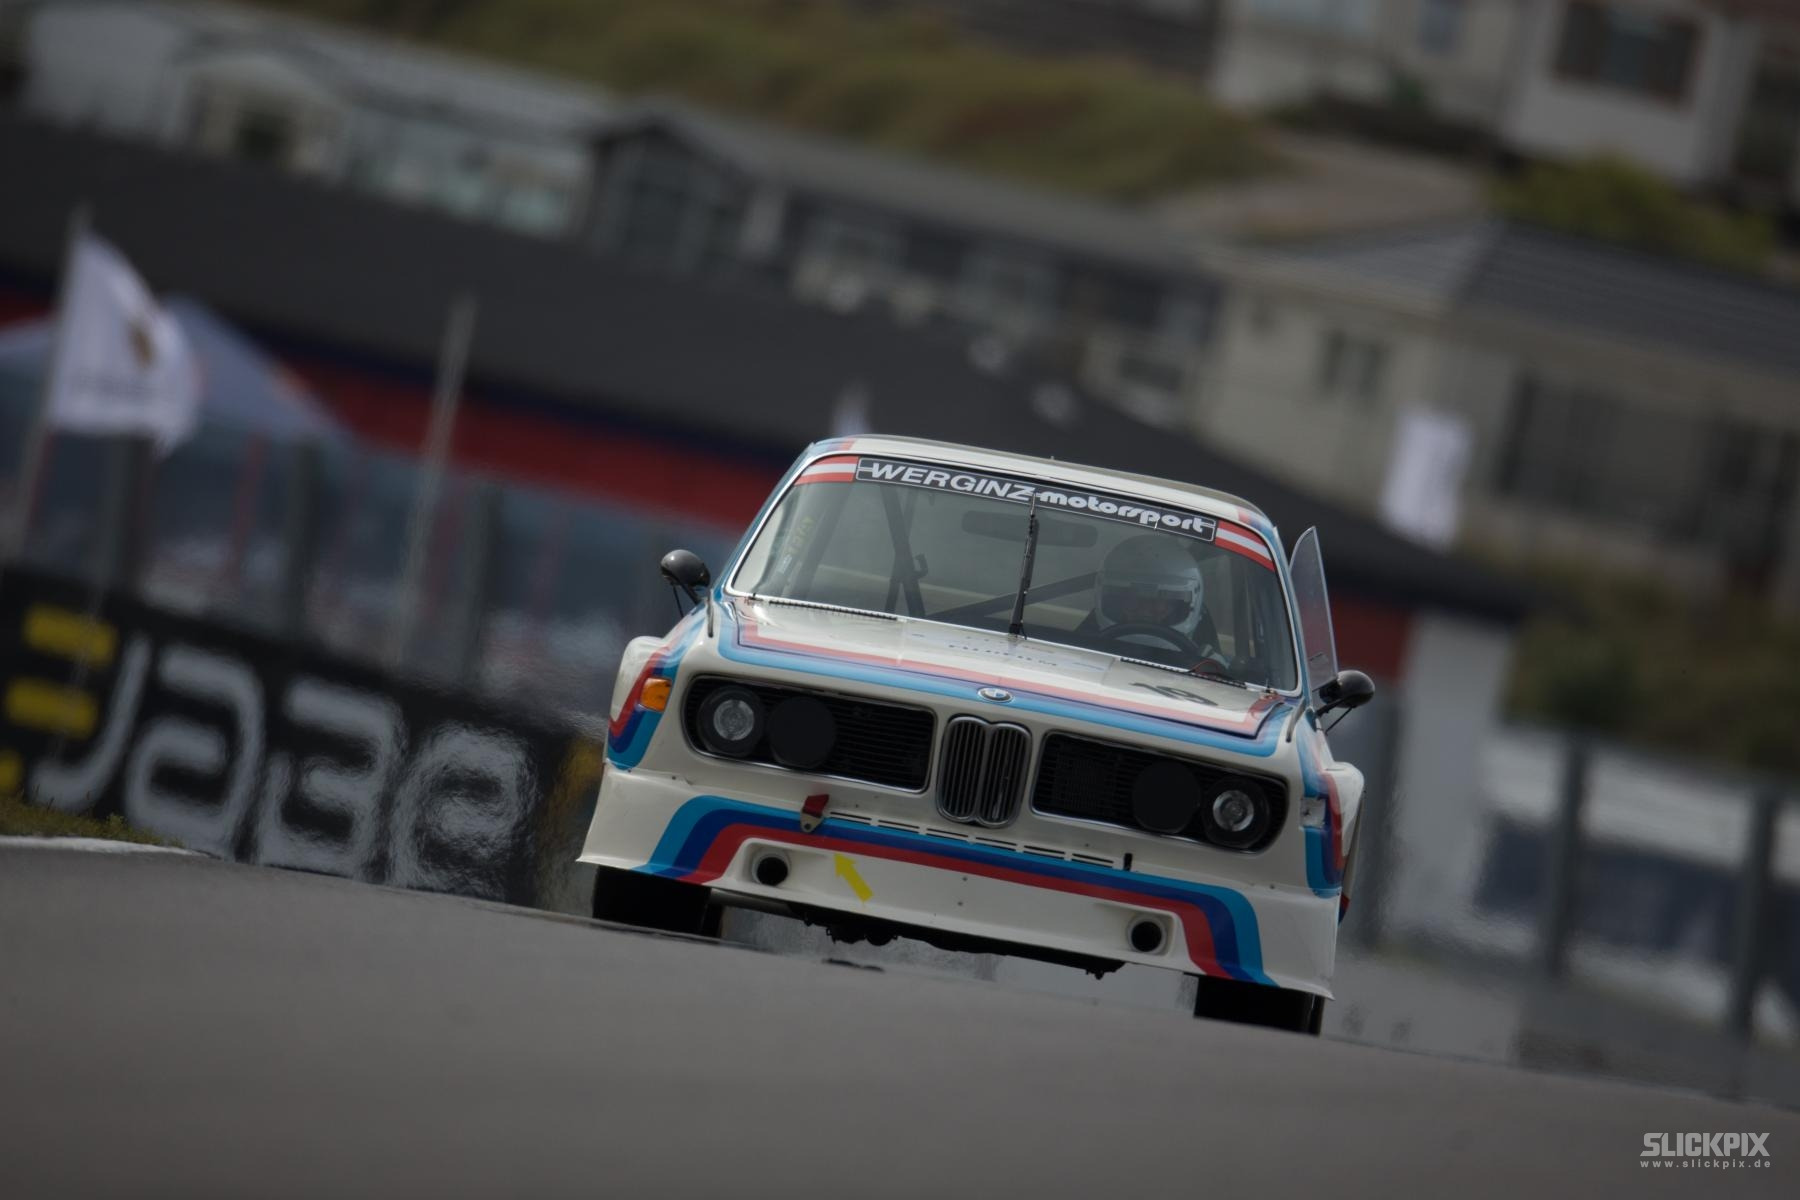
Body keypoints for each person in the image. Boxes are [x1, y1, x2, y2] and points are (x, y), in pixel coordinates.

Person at [1083, 534, 1227, 667]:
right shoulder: (1081, 648)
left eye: (1158, 602)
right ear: (1116, 602)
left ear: (1178, 606)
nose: (1145, 610)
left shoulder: (1206, 664)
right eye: (1133, 599)